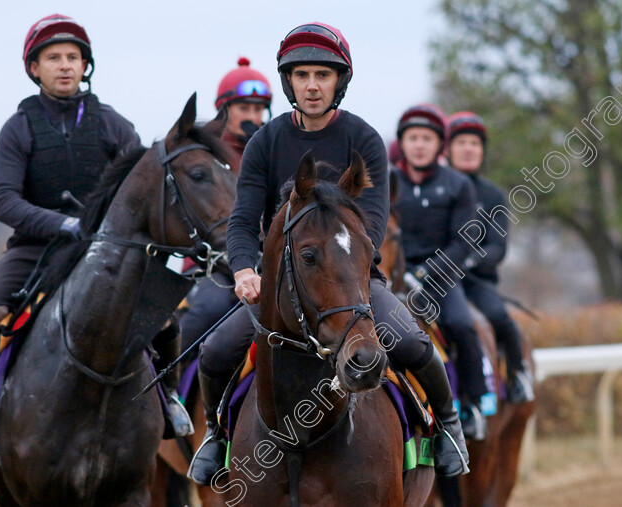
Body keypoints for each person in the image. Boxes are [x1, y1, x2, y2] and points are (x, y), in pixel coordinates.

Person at [188, 22, 470, 484]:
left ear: (339, 81)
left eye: (323, 74)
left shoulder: (364, 140)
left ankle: (448, 426)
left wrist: (348, 268)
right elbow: (242, 221)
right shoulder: (266, 141)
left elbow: (373, 224)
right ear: (290, 82)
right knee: (217, 350)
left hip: (353, 282)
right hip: (278, 286)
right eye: (302, 75)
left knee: (415, 343)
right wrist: (243, 269)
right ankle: (216, 434)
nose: (313, 85)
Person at [0, 14, 190, 457]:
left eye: (73, 57)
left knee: (163, 316)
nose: (65, 65)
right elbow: (2, 200)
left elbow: (139, 192)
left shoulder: (112, 124)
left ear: (85, 66)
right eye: (53, 58)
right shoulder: (18, 127)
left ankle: (170, 398)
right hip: (37, 250)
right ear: (34, 68)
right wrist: (63, 224)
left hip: (105, 251)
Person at [391, 103, 492, 440]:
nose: (419, 144)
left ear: (439, 145)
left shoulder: (458, 185)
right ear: (402, 143)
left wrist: (425, 274)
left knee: (463, 325)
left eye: (427, 138)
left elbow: (464, 242)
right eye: (413, 137)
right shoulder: (386, 182)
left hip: (442, 281)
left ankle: (475, 404)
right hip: (393, 281)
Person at [177, 57, 273, 356]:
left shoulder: (274, 149)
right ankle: (174, 389)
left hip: (266, 261)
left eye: (259, 109)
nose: (253, 116)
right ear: (224, 110)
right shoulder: (203, 155)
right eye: (244, 108)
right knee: (209, 310)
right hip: (212, 263)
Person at [447, 111, 534, 404]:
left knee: (499, 317)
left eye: (475, 143)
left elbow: (499, 246)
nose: (469, 149)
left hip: (476, 281)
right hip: (438, 280)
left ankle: (518, 375)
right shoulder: (439, 188)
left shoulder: (493, 195)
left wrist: (470, 261)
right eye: (462, 142)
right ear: (447, 149)